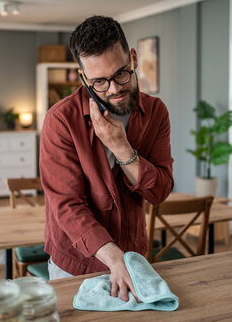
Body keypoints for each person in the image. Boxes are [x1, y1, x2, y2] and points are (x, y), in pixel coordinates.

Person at [40, 16, 174, 302]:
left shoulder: (156, 112)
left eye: (121, 74)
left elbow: (160, 191)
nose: (113, 89)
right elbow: (67, 206)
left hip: (134, 256)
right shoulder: (60, 121)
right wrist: (114, 259)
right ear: (84, 77)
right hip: (75, 265)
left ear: (133, 58)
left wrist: (122, 149)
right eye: (99, 81)